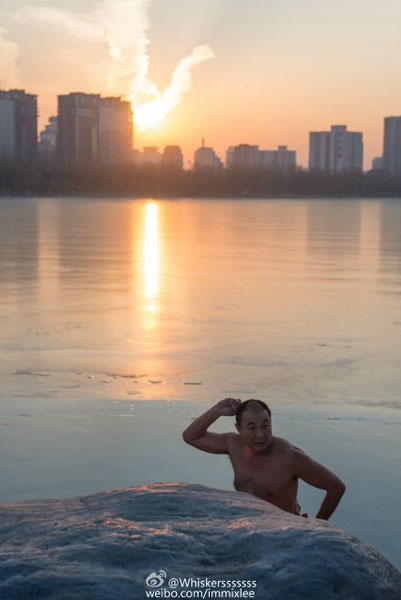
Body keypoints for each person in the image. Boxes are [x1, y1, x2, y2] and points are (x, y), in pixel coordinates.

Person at [182, 398, 346, 520]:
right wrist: (217, 410)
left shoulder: (290, 457)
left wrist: (317, 526)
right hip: (248, 524)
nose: (260, 434)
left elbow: (336, 487)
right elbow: (190, 437)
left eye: (265, 426)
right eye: (252, 427)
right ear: (238, 428)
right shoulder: (234, 445)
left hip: (283, 529)